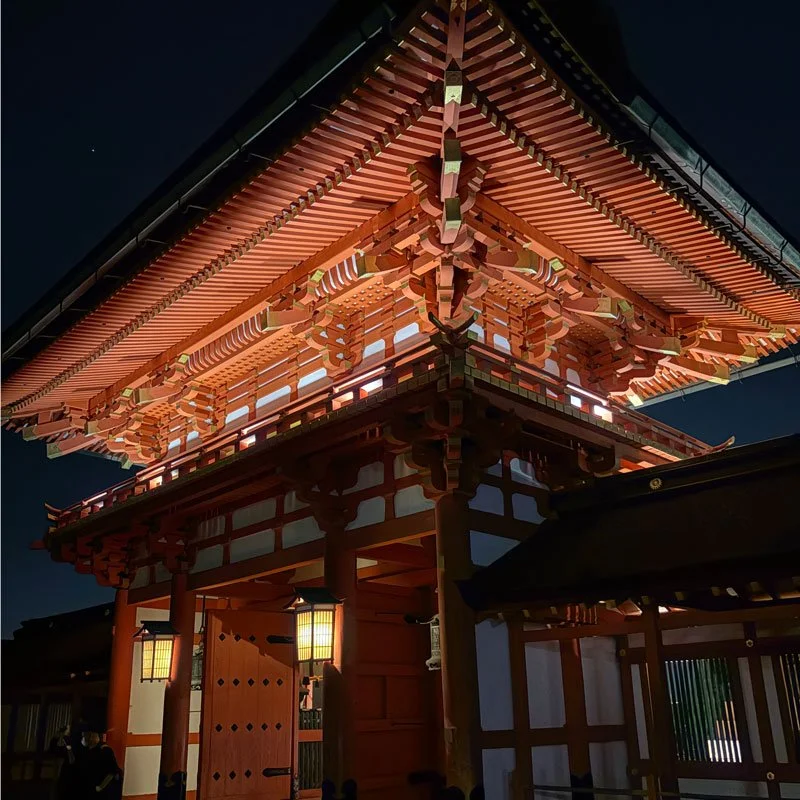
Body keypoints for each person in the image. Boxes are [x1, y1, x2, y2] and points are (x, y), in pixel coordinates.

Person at [81, 729, 122, 799]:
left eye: (85, 736)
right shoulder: (88, 752)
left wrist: (101, 787)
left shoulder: (105, 751)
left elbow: (112, 772)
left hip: (104, 792)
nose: (83, 738)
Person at [49, 725, 80, 800]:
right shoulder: (69, 748)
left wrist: (65, 737)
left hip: (71, 780)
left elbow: (71, 758)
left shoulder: (77, 748)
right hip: (65, 780)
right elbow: (53, 749)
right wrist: (58, 735)